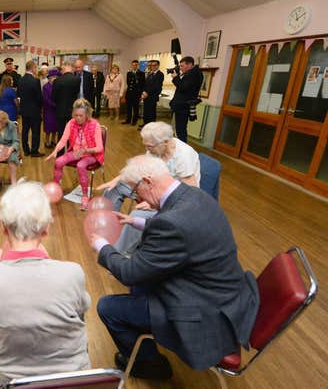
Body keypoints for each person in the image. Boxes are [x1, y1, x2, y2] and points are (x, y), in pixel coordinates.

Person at [90, 155, 259, 380]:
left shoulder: (172, 223)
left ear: (148, 182)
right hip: (226, 296)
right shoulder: (195, 195)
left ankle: (149, 365)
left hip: (206, 312)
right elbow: (182, 229)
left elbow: (130, 273)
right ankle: (145, 335)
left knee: (108, 307)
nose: (139, 199)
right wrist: (136, 221)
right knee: (141, 287)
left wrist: (102, 247)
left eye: (135, 192)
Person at [0, 181, 91, 389]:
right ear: (47, 228)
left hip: (8, 384)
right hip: (72, 383)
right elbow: (81, 309)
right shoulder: (73, 272)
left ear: (3, 227)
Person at [98, 122, 200, 254]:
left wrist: (155, 202)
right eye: (145, 145)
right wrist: (117, 179)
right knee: (116, 188)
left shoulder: (183, 156)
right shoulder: (156, 149)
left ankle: (117, 255)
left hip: (173, 202)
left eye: (149, 146)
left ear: (165, 142)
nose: (147, 149)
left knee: (137, 215)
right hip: (151, 188)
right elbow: (140, 170)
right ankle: (108, 230)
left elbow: (189, 194)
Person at [45, 99, 103, 211]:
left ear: (87, 114)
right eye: (76, 115)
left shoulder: (95, 125)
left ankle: (85, 195)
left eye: (81, 115)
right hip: (76, 153)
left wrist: (86, 150)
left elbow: (99, 148)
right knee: (58, 161)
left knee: (81, 165)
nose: (78, 118)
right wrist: (55, 151)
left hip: (91, 155)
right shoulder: (71, 123)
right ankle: (55, 188)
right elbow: (63, 140)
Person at [170, 56, 203, 143]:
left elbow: (183, 87)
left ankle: (183, 152)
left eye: (182, 66)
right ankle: (180, 150)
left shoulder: (194, 74)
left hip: (183, 106)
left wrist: (175, 78)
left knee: (181, 131)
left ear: (189, 65)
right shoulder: (191, 73)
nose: (180, 68)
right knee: (180, 130)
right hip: (182, 106)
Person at [0, 111, 20, 193]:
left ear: (4, 124)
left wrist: (10, 149)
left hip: (10, 148)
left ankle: (13, 181)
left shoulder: (12, 126)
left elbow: (16, 141)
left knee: (12, 158)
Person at [17, 60, 43, 157]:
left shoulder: (21, 80)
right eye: (36, 68)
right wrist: (40, 108)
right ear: (32, 68)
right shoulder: (35, 81)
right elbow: (39, 97)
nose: (36, 70)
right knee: (35, 131)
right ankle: (34, 151)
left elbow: (19, 94)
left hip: (24, 110)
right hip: (34, 110)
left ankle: (26, 150)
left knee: (25, 130)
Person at [52, 62, 80, 143]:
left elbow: (53, 98)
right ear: (71, 68)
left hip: (60, 110)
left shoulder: (57, 81)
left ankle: (60, 153)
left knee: (61, 132)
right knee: (72, 132)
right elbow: (77, 93)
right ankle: (70, 152)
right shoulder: (77, 80)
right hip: (72, 110)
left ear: (64, 69)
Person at [140, 60, 164, 128]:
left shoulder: (160, 74)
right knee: (146, 111)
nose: (152, 67)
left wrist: (147, 93)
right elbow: (145, 84)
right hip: (146, 96)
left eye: (154, 65)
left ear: (158, 66)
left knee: (151, 112)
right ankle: (145, 124)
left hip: (152, 96)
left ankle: (151, 126)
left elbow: (156, 86)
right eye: (151, 65)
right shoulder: (150, 73)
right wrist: (144, 92)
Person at [42, 68, 59, 148]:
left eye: (56, 76)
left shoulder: (58, 86)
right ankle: (47, 141)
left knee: (55, 126)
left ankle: (53, 140)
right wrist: (55, 105)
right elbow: (46, 99)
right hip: (48, 109)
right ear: (49, 77)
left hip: (56, 110)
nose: (55, 78)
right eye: (54, 76)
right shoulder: (45, 86)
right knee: (48, 126)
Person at [124, 60, 145, 125]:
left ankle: (134, 121)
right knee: (128, 107)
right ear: (131, 65)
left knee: (135, 108)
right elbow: (128, 82)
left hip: (136, 93)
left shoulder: (141, 73)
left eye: (136, 65)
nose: (134, 66)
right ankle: (128, 120)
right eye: (133, 65)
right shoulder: (129, 73)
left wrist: (141, 94)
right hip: (129, 92)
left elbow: (142, 84)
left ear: (138, 65)